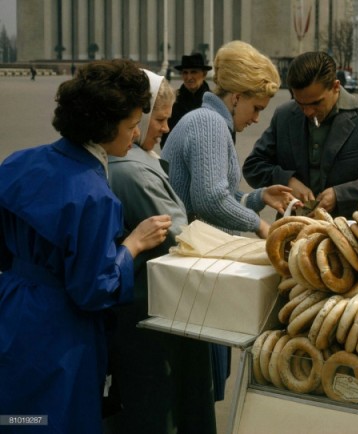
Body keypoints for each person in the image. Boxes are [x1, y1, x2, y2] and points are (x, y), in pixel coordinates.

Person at [0, 59, 171, 434]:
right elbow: (93, 289)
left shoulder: (18, 162)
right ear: (105, 128)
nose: (136, 133)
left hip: (11, 308)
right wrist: (133, 245)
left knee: (15, 415)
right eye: (130, 125)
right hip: (60, 332)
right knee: (57, 419)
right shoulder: (93, 195)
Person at [105, 71, 215, 434]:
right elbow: (180, 237)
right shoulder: (133, 170)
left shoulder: (133, 161)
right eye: (160, 119)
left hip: (142, 306)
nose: (165, 129)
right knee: (157, 406)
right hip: (149, 310)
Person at [242, 51, 358, 218]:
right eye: (300, 104)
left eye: (316, 103)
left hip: (349, 235)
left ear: (336, 86)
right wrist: (287, 181)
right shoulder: (284, 115)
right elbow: (253, 166)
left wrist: (341, 195)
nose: (308, 112)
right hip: (293, 231)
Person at [162, 41, 294, 239]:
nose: (256, 118)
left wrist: (261, 196)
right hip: (193, 254)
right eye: (256, 108)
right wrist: (259, 224)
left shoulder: (209, 120)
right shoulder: (209, 122)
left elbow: (224, 197)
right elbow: (211, 201)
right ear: (237, 98)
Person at [161, 52, 212, 147]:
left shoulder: (213, 101)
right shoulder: (172, 101)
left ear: (204, 74)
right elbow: (165, 136)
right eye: (185, 72)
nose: (189, 77)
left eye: (193, 72)